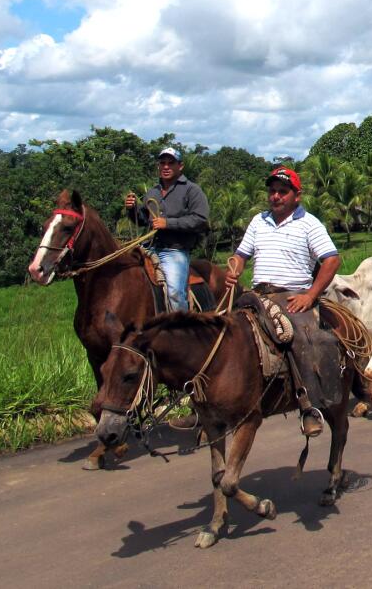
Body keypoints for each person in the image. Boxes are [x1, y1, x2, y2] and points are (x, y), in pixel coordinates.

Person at [224, 167, 341, 436]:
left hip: (290, 295)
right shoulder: (258, 221)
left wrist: (310, 295)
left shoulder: (309, 223)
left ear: (296, 196)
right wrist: (235, 269)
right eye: (272, 191)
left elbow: (332, 260)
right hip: (257, 294)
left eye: (282, 191)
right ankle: (210, 403)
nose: (276, 196)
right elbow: (241, 255)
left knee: (299, 339)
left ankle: (309, 405)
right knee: (221, 332)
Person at [125, 147, 209, 312]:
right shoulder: (152, 192)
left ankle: (181, 329)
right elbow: (142, 220)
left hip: (174, 250)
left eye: (171, 163)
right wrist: (132, 209)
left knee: (174, 293)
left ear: (180, 166)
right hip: (148, 248)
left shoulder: (192, 190)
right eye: (162, 163)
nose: (166, 166)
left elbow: (200, 220)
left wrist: (168, 223)